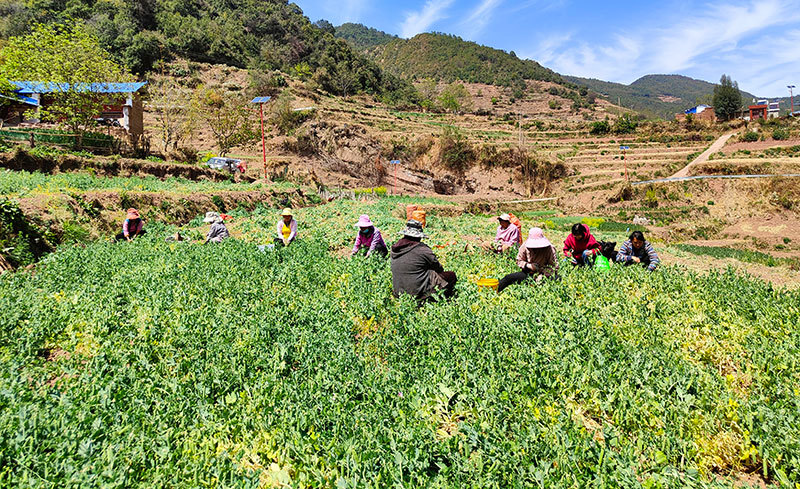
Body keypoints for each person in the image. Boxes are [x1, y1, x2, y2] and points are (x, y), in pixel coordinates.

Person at [391, 219, 457, 301]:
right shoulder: (422, 250)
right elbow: (439, 268)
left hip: (398, 292)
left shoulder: (395, 249)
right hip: (416, 292)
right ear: (419, 236)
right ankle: (444, 299)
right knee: (451, 275)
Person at [498, 228, 559, 292]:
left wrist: (543, 275)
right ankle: (495, 290)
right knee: (508, 278)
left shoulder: (549, 248)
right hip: (529, 273)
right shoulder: (525, 246)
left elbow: (554, 266)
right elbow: (519, 261)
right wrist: (528, 265)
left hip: (545, 274)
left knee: (557, 279)